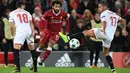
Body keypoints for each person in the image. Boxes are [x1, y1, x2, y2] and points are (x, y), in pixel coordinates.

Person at [59, 1, 128, 73]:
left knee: (85, 33)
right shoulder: (114, 14)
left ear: (104, 7)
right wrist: (123, 29)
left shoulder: (104, 13)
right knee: (106, 54)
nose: (98, 8)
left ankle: (67, 38)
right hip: (110, 37)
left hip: (104, 32)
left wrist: (104, 29)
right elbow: (122, 20)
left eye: (100, 7)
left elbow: (104, 21)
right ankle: (113, 70)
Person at [36, 0, 69, 65]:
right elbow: (41, 22)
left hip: (56, 33)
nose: (57, 8)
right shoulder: (48, 13)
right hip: (47, 32)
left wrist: (67, 30)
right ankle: (34, 59)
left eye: (59, 7)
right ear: (53, 6)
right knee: (41, 46)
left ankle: (42, 60)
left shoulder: (63, 14)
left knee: (51, 43)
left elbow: (68, 21)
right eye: (56, 6)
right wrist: (41, 30)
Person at [9, 1, 37, 73]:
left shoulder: (12, 13)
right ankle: (35, 68)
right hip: (28, 31)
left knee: (16, 49)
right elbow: (31, 24)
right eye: (24, 6)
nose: (24, 7)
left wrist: (12, 35)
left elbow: (11, 26)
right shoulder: (27, 13)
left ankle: (17, 69)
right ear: (22, 5)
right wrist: (32, 33)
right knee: (32, 49)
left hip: (20, 31)